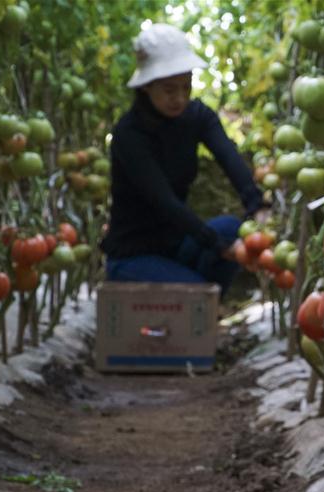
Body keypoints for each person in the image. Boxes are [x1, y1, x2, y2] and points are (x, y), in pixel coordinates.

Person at [101, 23, 266, 294]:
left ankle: (203, 307)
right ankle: (201, 306)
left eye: (186, 87)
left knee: (232, 228)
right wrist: (221, 246)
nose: (180, 98)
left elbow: (229, 157)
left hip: (177, 246)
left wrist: (257, 205)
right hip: (133, 256)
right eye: (169, 90)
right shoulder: (128, 135)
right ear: (146, 86)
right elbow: (163, 200)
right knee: (198, 296)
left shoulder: (197, 116)